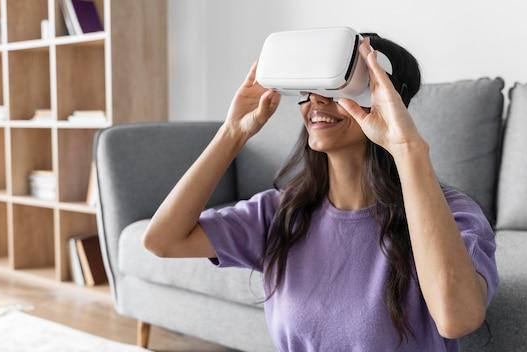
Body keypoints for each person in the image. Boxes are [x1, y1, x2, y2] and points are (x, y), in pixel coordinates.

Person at [142, 33, 500, 351]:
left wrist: (406, 146)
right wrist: (233, 132)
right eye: (310, 90)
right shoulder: (281, 212)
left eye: (337, 89)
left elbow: (457, 319)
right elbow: (162, 240)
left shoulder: (451, 215)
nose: (316, 100)